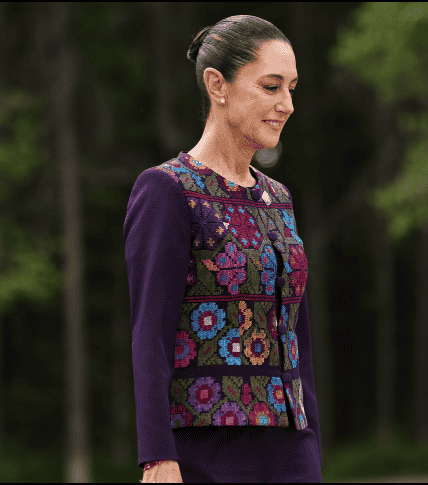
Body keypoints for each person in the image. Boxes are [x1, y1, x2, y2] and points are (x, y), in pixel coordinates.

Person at [123, 15, 322, 483]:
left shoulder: (279, 199)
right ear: (218, 85)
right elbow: (149, 333)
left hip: (289, 452)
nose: (287, 104)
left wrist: (311, 445)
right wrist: (157, 456)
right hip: (205, 454)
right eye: (271, 86)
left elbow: (298, 340)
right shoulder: (168, 190)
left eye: (292, 88)